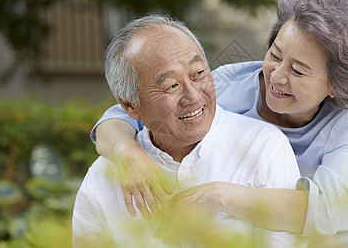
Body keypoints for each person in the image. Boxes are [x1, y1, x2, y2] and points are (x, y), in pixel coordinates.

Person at [90, 0, 348, 248]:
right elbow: (124, 113)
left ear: (334, 84)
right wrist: (128, 154)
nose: (277, 76)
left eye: (298, 70)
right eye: (275, 55)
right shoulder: (226, 87)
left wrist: (217, 195)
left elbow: (327, 214)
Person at [72, 15, 304, 247]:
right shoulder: (104, 177)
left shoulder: (264, 147)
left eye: (199, 74)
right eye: (171, 86)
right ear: (130, 105)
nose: (193, 96)